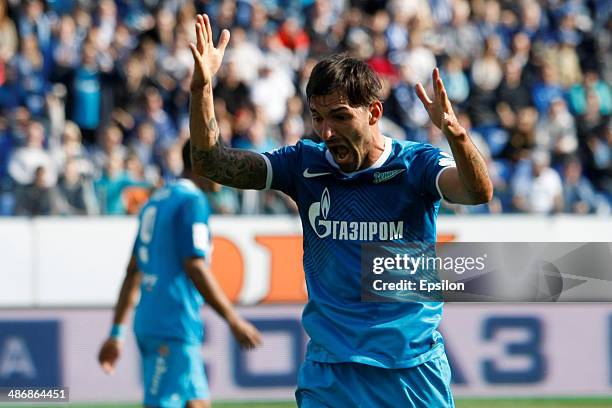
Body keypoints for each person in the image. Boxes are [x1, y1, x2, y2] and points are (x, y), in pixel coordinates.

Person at [188, 14, 493, 407]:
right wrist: (201, 87)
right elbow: (211, 164)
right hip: (329, 373)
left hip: (410, 371)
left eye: (340, 116)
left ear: (374, 112)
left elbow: (477, 191)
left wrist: (458, 137)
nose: (327, 132)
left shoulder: (415, 165)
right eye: (318, 118)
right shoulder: (303, 165)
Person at [97, 142, 262, 408]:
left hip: (154, 320)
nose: (227, 173)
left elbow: (133, 271)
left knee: (197, 403)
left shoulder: (157, 200)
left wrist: (117, 333)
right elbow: (195, 265)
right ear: (201, 164)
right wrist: (233, 320)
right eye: (222, 163)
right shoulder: (192, 201)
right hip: (172, 324)